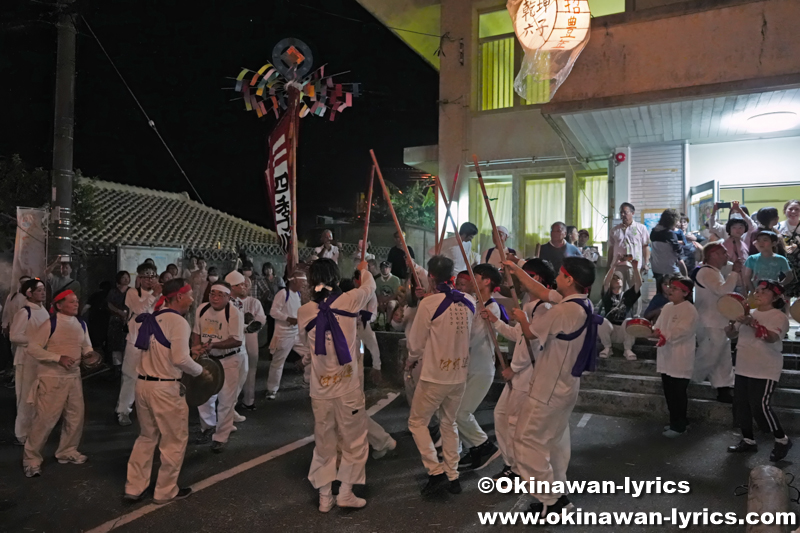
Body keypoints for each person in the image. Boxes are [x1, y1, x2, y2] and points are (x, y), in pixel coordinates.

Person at [504, 256, 600, 517]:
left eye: (560, 273)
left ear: (569, 280)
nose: (556, 276)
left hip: (548, 389)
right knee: (554, 443)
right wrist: (515, 270)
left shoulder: (563, 311)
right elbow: (541, 290)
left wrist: (522, 318)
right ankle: (557, 495)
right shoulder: (580, 303)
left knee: (525, 443)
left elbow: (531, 333)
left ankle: (552, 500)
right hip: (566, 388)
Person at [298, 258, 375, 511]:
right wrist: (363, 270)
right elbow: (370, 287)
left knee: (323, 443)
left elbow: (304, 346)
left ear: (311, 282)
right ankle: (345, 492)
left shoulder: (304, 311)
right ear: (335, 276)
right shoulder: (349, 300)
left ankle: (324, 497)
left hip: (320, 391)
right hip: (348, 389)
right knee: (354, 441)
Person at [123, 278, 210, 504]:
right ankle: (165, 490)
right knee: (174, 439)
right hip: (164, 389)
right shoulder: (179, 322)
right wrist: (200, 371)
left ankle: (134, 487)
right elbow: (179, 359)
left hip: (143, 385)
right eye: (190, 295)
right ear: (179, 296)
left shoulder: (152, 318)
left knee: (146, 436)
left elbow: (162, 351)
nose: (192, 300)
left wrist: (190, 351)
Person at [406, 255, 475, 496]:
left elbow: (415, 344)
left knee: (417, 422)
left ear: (431, 276)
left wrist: (410, 360)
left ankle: (435, 472)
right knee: (449, 422)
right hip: (459, 374)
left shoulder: (429, 303)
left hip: (435, 375)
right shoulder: (469, 301)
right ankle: (453, 475)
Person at [482, 258, 555, 480]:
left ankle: (520, 470)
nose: (520, 282)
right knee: (502, 415)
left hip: (529, 374)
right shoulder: (528, 304)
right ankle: (511, 463)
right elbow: (519, 335)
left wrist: (513, 368)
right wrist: (495, 321)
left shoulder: (543, 307)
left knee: (515, 423)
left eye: (526, 275)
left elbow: (533, 341)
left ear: (538, 279)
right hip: (521, 373)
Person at [23, 290, 94, 477]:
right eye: (71, 302)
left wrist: (89, 355)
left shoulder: (81, 323)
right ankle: (31, 459)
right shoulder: (50, 323)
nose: (76, 304)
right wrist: (57, 358)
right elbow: (32, 348)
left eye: (77, 301)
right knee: (45, 420)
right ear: (59, 305)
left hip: (74, 377)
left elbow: (86, 346)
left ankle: (67, 451)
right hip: (51, 378)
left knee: (75, 417)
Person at [725, 280, 792, 461]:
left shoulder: (779, 316)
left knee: (760, 405)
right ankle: (748, 439)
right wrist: (731, 325)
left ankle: (782, 440)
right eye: (757, 290)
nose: (758, 293)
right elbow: (731, 334)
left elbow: (771, 338)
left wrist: (752, 323)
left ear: (776, 296)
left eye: (764, 291)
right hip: (743, 365)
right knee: (741, 404)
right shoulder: (749, 312)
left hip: (765, 368)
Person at [456, 264, 502, 471]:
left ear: (487, 281)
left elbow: (472, 337)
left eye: (476, 276)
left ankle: (484, 446)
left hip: (481, 368)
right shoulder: (473, 303)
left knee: (461, 412)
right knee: (455, 412)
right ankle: (474, 448)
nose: (472, 279)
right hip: (468, 366)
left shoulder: (491, 307)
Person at [194, 278, 245, 452]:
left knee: (226, 398)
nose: (215, 298)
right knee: (204, 395)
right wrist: (195, 348)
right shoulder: (202, 309)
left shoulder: (234, 313)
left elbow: (236, 341)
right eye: (212, 294)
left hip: (228, 359)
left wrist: (214, 345)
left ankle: (221, 436)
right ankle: (208, 427)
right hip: (208, 358)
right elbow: (196, 332)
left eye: (219, 295)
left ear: (228, 297)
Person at [692, 243, 740, 403]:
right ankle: (688, 377)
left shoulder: (714, 272)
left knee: (722, 357)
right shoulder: (706, 271)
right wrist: (734, 274)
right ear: (712, 255)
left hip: (718, 321)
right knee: (710, 354)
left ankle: (724, 389)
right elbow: (723, 291)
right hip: (709, 321)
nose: (727, 255)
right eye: (723, 253)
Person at [116, 263, 162, 426]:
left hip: (154, 341)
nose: (150, 280)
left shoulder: (160, 296)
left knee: (153, 376)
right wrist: (154, 295)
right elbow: (140, 309)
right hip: (135, 340)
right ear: (140, 278)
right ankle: (123, 410)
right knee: (130, 376)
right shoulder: (132, 293)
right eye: (146, 276)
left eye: (153, 276)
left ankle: (149, 409)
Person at [653, 276, 697, 438]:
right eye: (669, 287)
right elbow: (658, 325)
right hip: (666, 355)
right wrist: (653, 331)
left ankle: (680, 425)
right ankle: (675, 422)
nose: (670, 290)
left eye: (675, 288)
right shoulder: (667, 307)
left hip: (680, 357)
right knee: (669, 391)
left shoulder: (689, 310)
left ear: (685, 293)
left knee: (678, 393)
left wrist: (664, 334)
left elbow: (683, 331)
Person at [9, 279, 49, 446]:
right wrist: (35, 340)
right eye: (39, 290)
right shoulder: (25, 312)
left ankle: (35, 429)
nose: (43, 293)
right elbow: (14, 335)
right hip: (27, 359)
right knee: (26, 396)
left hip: (41, 359)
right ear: (29, 293)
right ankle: (22, 432)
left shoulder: (43, 310)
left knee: (39, 396)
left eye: (43, 290)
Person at [266, 271, 308, 400]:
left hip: (297, 333)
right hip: (283, 334)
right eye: (303, 282)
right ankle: (271, 389)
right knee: (278, 362)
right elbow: (273, 312)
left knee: (311, 352)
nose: (304, 285)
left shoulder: (298, 294)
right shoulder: (283, 294)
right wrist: (288, 318)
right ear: (294, 281)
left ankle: (307, 380)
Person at [597, 257, 642, 360]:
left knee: (629, 321)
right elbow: (606, 283)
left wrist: (635, 268)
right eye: (614, 278)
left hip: (623, 331)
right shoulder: (608, 295)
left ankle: (627, 349)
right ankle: (607, 348)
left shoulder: (627, 295)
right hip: (610, 331)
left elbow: (638, 284)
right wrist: (613, 266)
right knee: (601, 321)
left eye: (619, 278)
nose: (617, 280)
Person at [232, 277, 266, 411]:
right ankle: (231, 403)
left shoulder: (254, 302)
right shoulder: (231, 302)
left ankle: (248, 400)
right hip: (235, 339)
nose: (244, 287)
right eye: (241, 284)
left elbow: (261, 320)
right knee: (234, 371)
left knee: (251, 370)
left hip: (251, 337)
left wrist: (251, 322)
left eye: (247, 285)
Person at [608, 203, 651, 291]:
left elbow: (645, 246)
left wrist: (646, 263)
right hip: (618, 265)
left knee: (635, 292)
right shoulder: (614, 230)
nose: (623, 215)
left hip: (635, 265)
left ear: (632, 213)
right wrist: (609, 265)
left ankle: (634, 305)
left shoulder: (641, 228)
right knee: (617, 290)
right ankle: (618, 305)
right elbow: (611, 248)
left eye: (625, 212)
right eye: (621, 213)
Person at [649, 209, 685, 285]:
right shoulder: (670, 234)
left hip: (656, 268)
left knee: (660, 292)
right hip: (670, 269)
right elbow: (678, 251)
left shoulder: (653, 232)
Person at [257, 262, 285, 344]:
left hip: (278, 304)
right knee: (270, 325)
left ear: (272, 269)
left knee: (278, 324)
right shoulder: (262, 281)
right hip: (268, 305)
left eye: (269, 268)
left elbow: (283, 291)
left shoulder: (278, 279)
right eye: (266, 269)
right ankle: (269, 342)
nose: (268, 271)